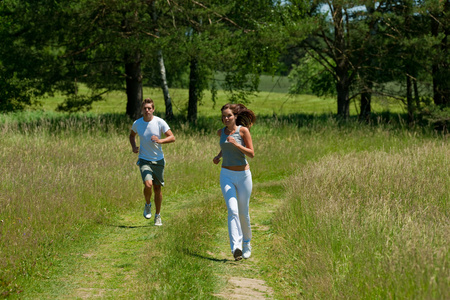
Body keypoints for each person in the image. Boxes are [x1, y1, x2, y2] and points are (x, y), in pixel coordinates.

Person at [213, 103, 256, 261]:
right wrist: (219, 156)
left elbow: (251, 153)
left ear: (235, 116)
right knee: (232, 210)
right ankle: (236, 247)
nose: (226, 118)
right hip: (226, 175)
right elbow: (225, 146)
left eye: (229, 115)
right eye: (223, 116)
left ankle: (246, 243)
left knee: (243, 212)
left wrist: (237, 144)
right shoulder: (221, 132)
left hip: (243, 175)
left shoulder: (243, 131)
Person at [129, 98, 175, 226]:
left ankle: (157, 215)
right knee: (148, 185)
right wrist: (133, 146)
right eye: (145, 108)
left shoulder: (160, 122)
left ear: (153, 109)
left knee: (157, 188)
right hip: (144, 159)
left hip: (158, 160)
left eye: (149, 108)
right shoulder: (137, 123)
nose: (147, 110)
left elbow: (172, 137)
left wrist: (161, 141)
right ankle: (148, 204)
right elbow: (132, 135)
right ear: (142, 110)